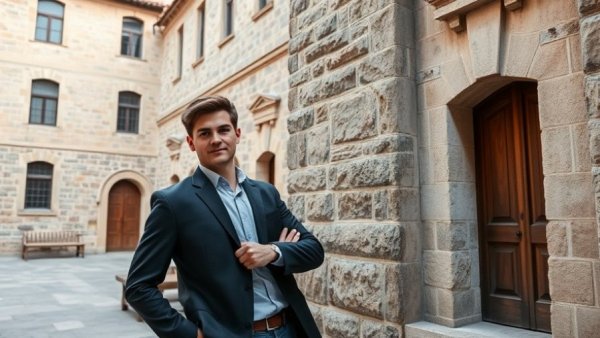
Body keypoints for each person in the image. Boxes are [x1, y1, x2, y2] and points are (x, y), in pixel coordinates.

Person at [125, 95, 324, 338]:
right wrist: (191, 335)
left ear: (237, 134)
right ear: (191, 142)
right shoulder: (173, 203)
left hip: (291, 328)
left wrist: (273, 251)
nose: (216, 139)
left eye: (223, 130)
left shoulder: (266, 194)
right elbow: (138, 287)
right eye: (205, 133)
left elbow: (313, 250)